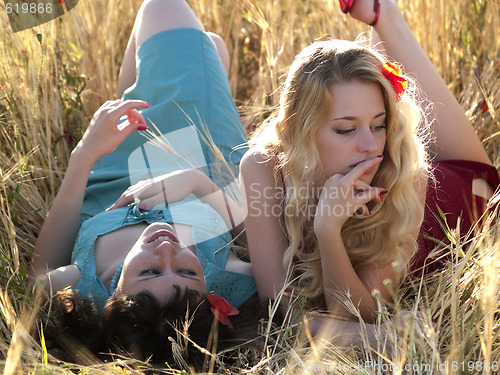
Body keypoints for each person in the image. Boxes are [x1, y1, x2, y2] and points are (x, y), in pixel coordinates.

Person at [240, 0, 499, 325]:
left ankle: (385, 17)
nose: (370, 145)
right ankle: (382, 21)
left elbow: (358, 313)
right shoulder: (263, 167)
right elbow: (280, 309)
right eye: (346, 129)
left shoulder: (406, 174)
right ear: (300, 132)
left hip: (473, 194)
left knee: (471, 171)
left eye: (379, 124)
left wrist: (328, 230)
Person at [30, 0, 259, 368]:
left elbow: (38, 272)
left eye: (149, 271)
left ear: (113, 296)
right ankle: (191, 71)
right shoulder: (228, 278)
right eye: (187, 271)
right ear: (208, 293)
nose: (167, 249)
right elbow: (282, 262)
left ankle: (173, 78)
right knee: (177, 20)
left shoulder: (83, 286)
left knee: (183, 29)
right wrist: (199, 184)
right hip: (203, 158)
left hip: (111, 172)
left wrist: (85, 155)